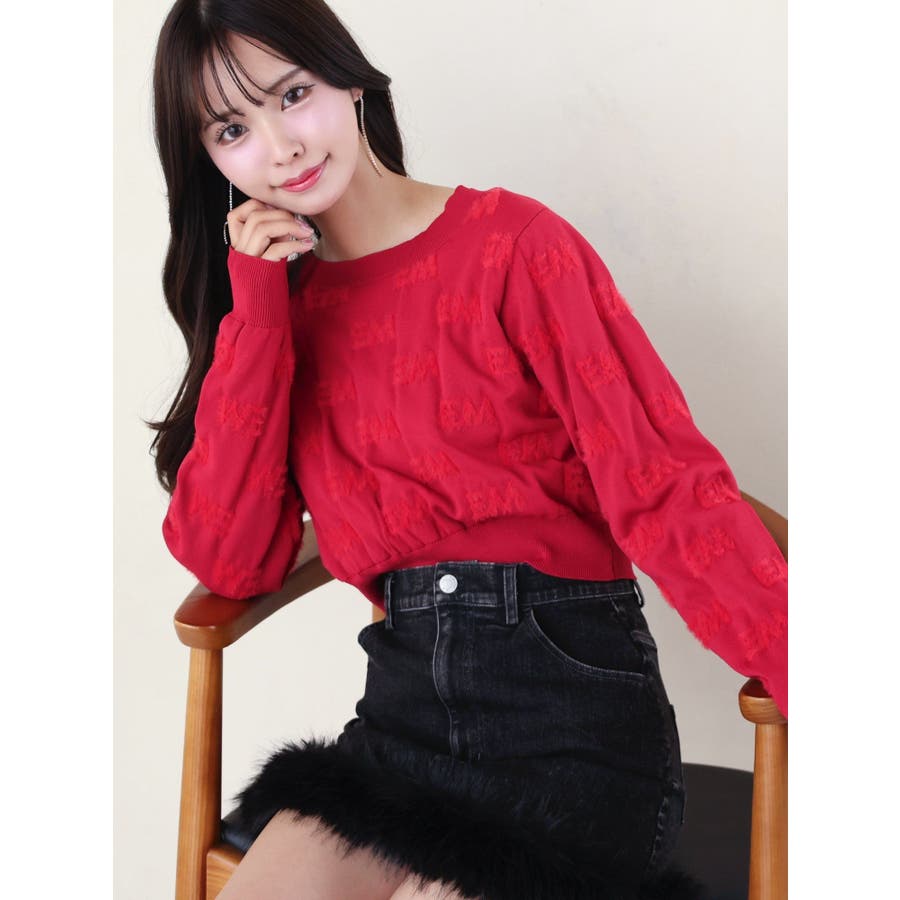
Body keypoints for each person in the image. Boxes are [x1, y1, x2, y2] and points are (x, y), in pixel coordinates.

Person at [149, 1, 787, 897]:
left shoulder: (514, 247)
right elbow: (230, 558)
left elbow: (663, 484)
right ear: (211, 162)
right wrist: (256, 309)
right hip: (403, 721)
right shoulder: (283, 316)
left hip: (574, 722)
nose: (281, 147)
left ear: (348, 80)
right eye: (232, 128)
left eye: (292, 95)